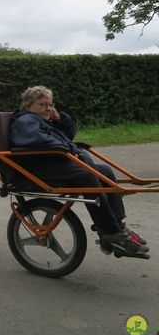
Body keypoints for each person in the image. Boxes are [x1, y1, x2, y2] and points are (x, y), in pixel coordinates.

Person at [9, 86, 149, 257]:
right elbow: (36, 141)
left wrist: (59, 120)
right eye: (42, 104)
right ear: (29, 105)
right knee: (87, 176)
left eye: (50, 104)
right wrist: (67, 148)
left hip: (54, 163)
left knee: (104, 171)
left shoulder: (41, 121)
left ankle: (117, 226)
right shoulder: (26, 121)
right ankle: (111, 231)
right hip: (39, 169)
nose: (48, 108)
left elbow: (67, 136)